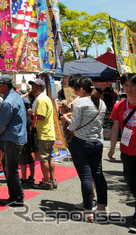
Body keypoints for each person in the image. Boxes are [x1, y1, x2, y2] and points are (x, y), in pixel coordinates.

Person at [60, 77, 107, 222]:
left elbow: (73, 126)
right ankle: (101, 207)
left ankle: (88, 211)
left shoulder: (80, 102)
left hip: (81, 143)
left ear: (81, 89)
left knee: (86, 177)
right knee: (98, 175)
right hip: (97, 142)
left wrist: (65, 119)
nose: (75, 92)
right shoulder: (101, 102)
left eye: (76, 89)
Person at [0, 74, 27, 207]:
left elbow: (2, 124)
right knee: (8, 166)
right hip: (17, 136)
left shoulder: (8, 102)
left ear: (4, 86)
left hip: (12, 138)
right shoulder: (16, 97)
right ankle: (15, 195)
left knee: (11, 169)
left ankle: (17, 197)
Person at [108, 72, 136, 233]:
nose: (130, 89)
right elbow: (115, 128)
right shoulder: (120, 105)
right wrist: (112, 148)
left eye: (133, 85)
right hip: (127, 151)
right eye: (126, 85)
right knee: (131, 183)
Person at [28, 79, 57, 190]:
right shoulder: (45, 99)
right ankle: (52, 180)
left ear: (42, 88)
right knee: (49, 158)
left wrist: (31, 114)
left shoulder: (42, 100)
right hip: (49, 132)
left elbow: (41, 116)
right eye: (33, 86)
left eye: (36, 86)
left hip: (43, 133)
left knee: (44, 159)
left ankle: (47, 181)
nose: (33, 88)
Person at [19, 93, 37, 185]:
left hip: (24, 140)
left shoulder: (23, 117)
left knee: (22, 160)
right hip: (30, 140)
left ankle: (23, 177)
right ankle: (31, 176)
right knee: (30, 159)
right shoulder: (29, 116)